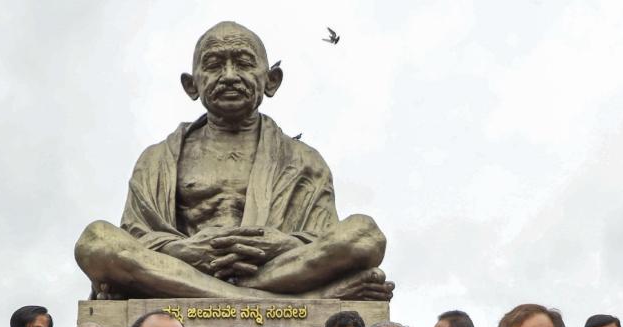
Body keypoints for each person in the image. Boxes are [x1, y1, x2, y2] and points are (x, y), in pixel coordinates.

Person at [73, 21, 393, 302]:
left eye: (243, 63)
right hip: (183, 267)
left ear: (271, 81)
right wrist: (182, 251)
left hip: (273, 267)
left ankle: (239, 291)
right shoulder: (157, 158)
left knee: (365, 234)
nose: (229, 75)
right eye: (213, 65)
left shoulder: (304, 160)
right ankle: (296, 300)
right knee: (96, 241)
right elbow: (138, 237)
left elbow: (321, 238)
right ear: (191, 84)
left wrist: (282, 244)